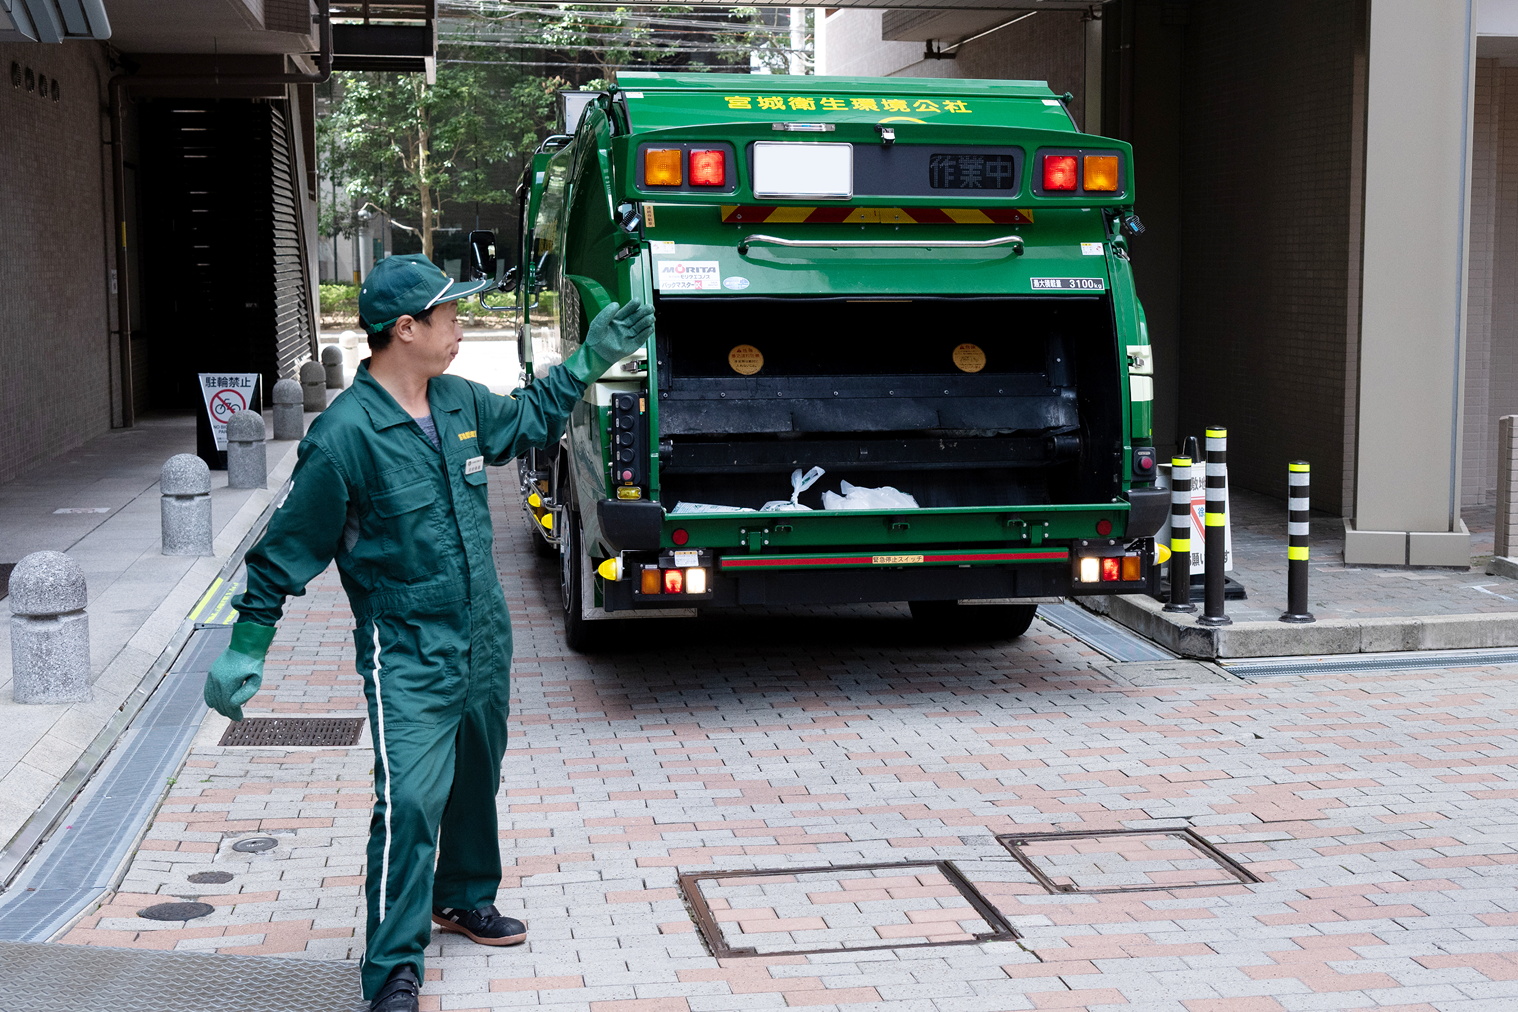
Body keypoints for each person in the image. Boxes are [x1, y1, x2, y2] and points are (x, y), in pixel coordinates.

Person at [201, 254, 654, 1012]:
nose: (459, 326)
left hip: (483, 635)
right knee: (410, 800)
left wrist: (591, 355)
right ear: (403, 329)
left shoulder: (458, 402)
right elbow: (288, 549)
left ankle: (465, 897)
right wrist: (250, 641)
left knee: (478, 774)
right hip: (405, 648)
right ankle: (391, 969)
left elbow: (532, 418)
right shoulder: (343, 437)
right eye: (448, 316)